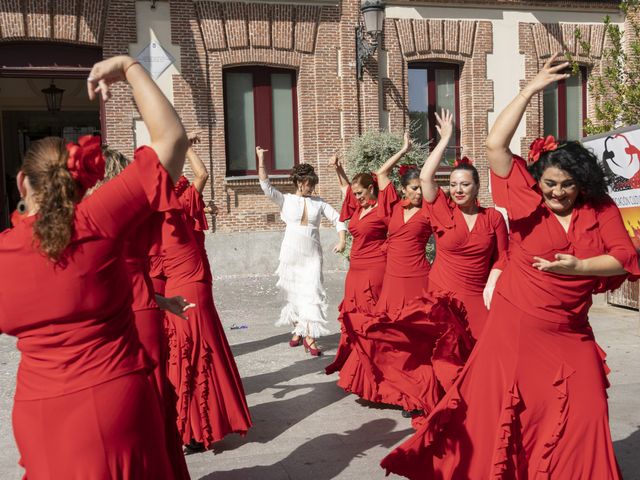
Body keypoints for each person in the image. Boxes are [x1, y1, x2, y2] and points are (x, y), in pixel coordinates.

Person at [381, 54, 640, 479]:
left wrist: (578, 267)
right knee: (508, 409)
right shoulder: (526, 200)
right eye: (550, 183)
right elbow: (495, 146)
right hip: (515, 325)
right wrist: (528, 90)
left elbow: (623, 259)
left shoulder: (600, 208)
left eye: (567, 185)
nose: (557, 192)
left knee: (589, 407)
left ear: (583, 185)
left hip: (569, 331)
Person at [0, 55, 188, 479]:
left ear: (21, 184)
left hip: (40, 413)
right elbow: (172, 140)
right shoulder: (98, 218)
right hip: (115, 399)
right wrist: (129, 68)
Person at [89, 148, 193, 480]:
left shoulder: (99, 217)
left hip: (126, 317)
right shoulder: (133, 212)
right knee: (145, 404)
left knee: (131, 409)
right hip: (141, 310)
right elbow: (133, 275)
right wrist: (162, 302)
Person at [151, 178, 252, 454]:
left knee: (190, 362)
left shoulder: (175, 224)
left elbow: (201, 175)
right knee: (194, 361)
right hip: (183, 297)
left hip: (187, 298)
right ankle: (194, 427)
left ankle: (193, 429)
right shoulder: (171, 225)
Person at [421, 109, 508, 338]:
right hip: (442, 296)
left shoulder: (493, 218)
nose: (458, 190)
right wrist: (445, 140)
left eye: (465, 185)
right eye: (453, 184)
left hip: (479, 296)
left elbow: (502, 257)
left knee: (480, 354)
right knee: (446, 357)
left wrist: (491, 283)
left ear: (477, 187)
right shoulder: (443, 210)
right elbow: (425, 178)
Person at [257, 146, 347, 356]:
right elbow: (265, 186)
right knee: (295, 293)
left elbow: (338, 219)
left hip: (312, 254)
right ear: (299, 182)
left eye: (313, 185)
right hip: (291, 253)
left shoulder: (319, 202)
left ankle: (310, 337)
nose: (311, 189)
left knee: (313, 292)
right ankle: (299, 329)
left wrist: (341, 240)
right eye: (309, 185)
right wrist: (261, 158)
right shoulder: (285, 199)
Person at [325, 155, 390, 400]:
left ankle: (377, 375)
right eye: (356, 194)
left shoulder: (383, 208)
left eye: (361, 193)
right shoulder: (360, 205)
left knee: (370, 320)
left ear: (371, 189)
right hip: (356, 269)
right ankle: (358, 372)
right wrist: (339, 169)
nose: (357, 198)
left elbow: (397, 233)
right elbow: (346, 190)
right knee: (353, 319)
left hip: (375, 268)